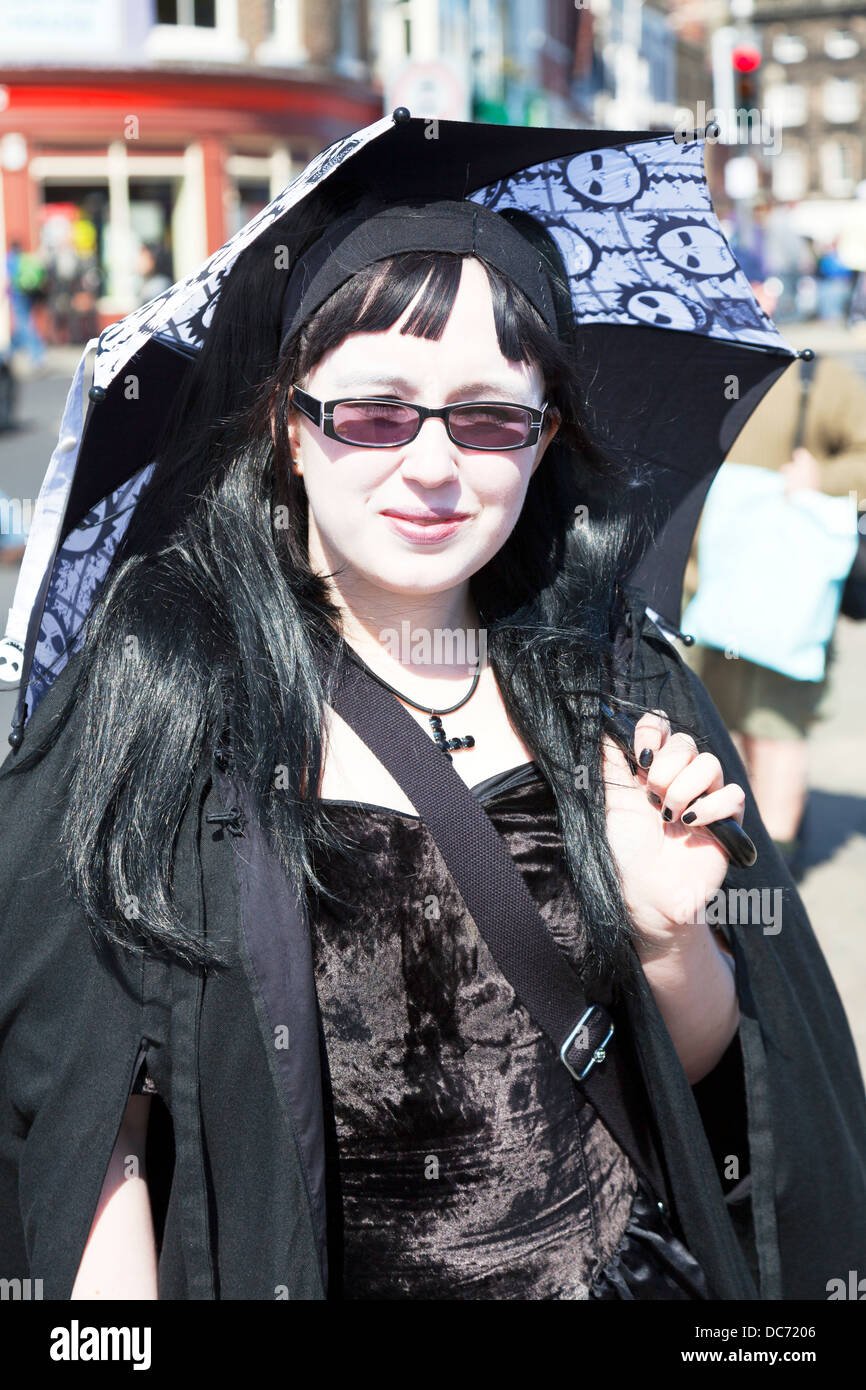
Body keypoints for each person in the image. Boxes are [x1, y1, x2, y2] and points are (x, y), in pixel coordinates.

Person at [0, 191, 864, 1302]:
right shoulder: (166, 691)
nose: (431, 466)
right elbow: (91, 1132)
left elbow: (718, 1100)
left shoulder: (624, 686)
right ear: (288, 428)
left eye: (488, 418)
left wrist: (666, 939)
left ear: (544, 434)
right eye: (372, 412)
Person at [681, 339, 866, 874]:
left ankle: (773, 881)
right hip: (693, 596)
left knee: (774, 732)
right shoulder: (686, 368)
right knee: (698, 731)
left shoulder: (815, 376)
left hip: (778, 594)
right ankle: (731, 864)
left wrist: (823, 480)